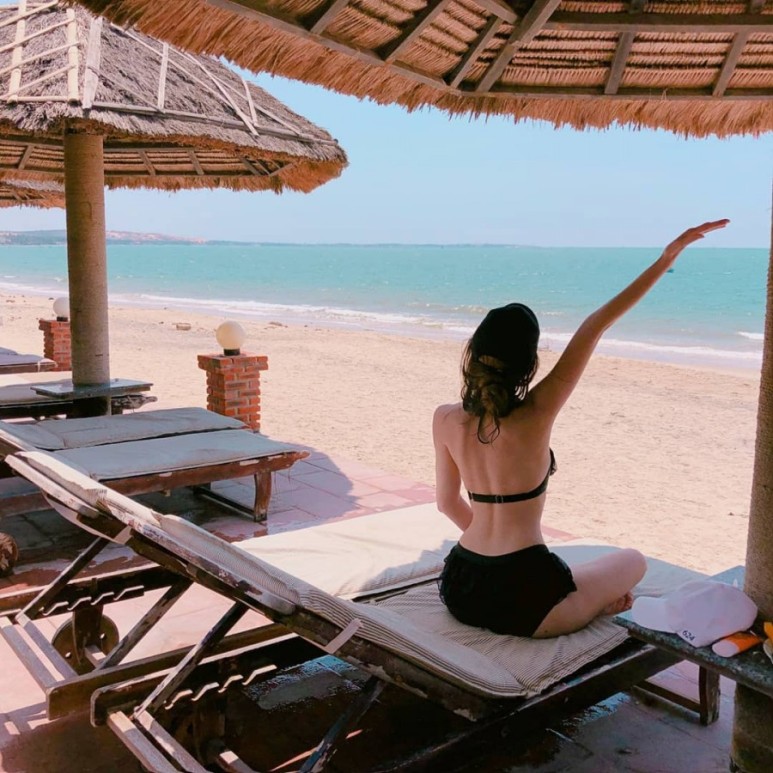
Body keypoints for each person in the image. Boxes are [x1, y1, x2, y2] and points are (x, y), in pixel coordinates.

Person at [433, 220, 729, 639]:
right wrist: (666, 258)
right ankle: (596, 606)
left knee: (585, 571)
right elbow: (596, 325)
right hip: (529, 601)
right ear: (528, 364)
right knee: (633, 561)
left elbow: (447, 503)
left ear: (474, 352)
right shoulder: (537, 412)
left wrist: (489, 556)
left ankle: (590, 600)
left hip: (462, 585)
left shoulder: (444, 419)